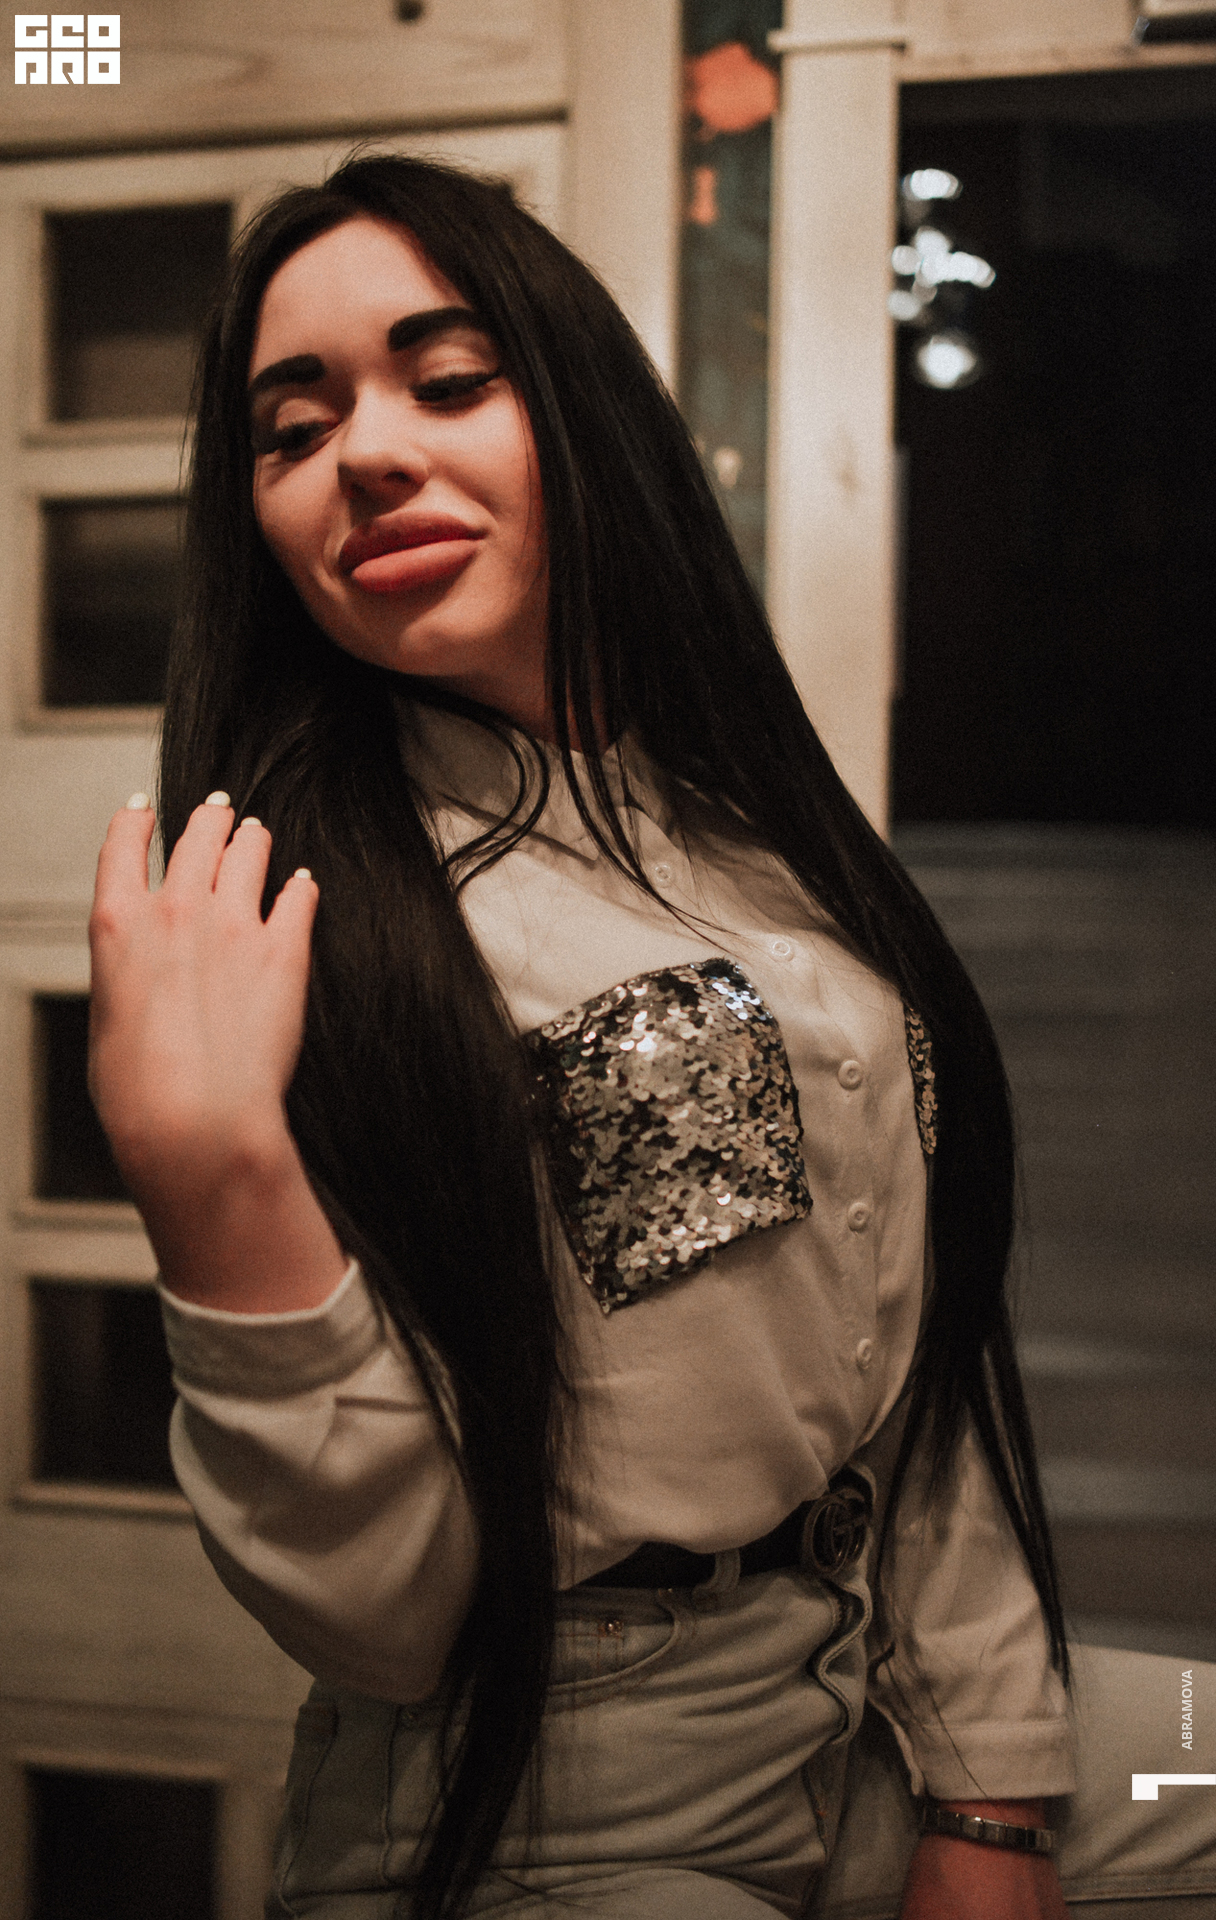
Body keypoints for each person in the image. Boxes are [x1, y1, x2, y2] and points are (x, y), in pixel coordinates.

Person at [86, 155, 1215, 1920]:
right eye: (293, 429)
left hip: (853, 1691)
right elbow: (388, 1626)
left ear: (584, 415)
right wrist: (208, 1173)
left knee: (1204, 1750)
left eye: (449, 380)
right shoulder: (311, 918)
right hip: (550, 1798)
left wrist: (992, 1796)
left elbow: (917, 1379)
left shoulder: (750, 833)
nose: (366, 452)